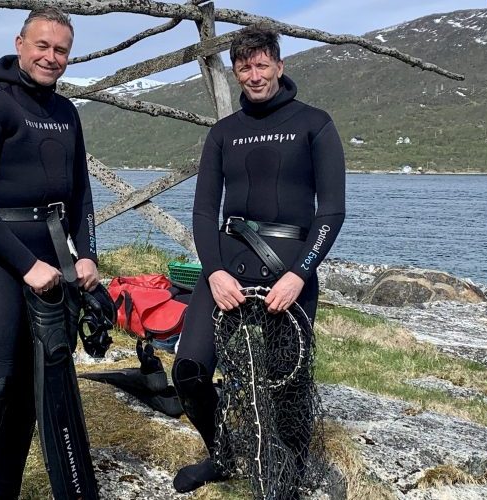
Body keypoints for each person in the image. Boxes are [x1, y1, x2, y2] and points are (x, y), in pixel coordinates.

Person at [171, 25, 346, 494]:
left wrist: (299, 274)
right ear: (235, 72)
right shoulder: (224, 133)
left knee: (286, 385)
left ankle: (288, 472)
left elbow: (331, 211)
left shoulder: (315, 124)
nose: (254, 74)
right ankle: (223, 454)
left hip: (289, 271)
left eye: (261, 64)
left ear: (279, 66)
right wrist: (215, 272)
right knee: (188, 370)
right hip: (228, 268)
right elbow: (204, 212)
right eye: (244, 66)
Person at [0, 7, 99, 499]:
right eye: (42, 46)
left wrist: (87, 255)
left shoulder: (67, 114)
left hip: (51, 261)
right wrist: (26, 264)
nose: (50, 57)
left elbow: (80, 197)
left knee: (30, 393)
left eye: (60, 50)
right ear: (20, 44)